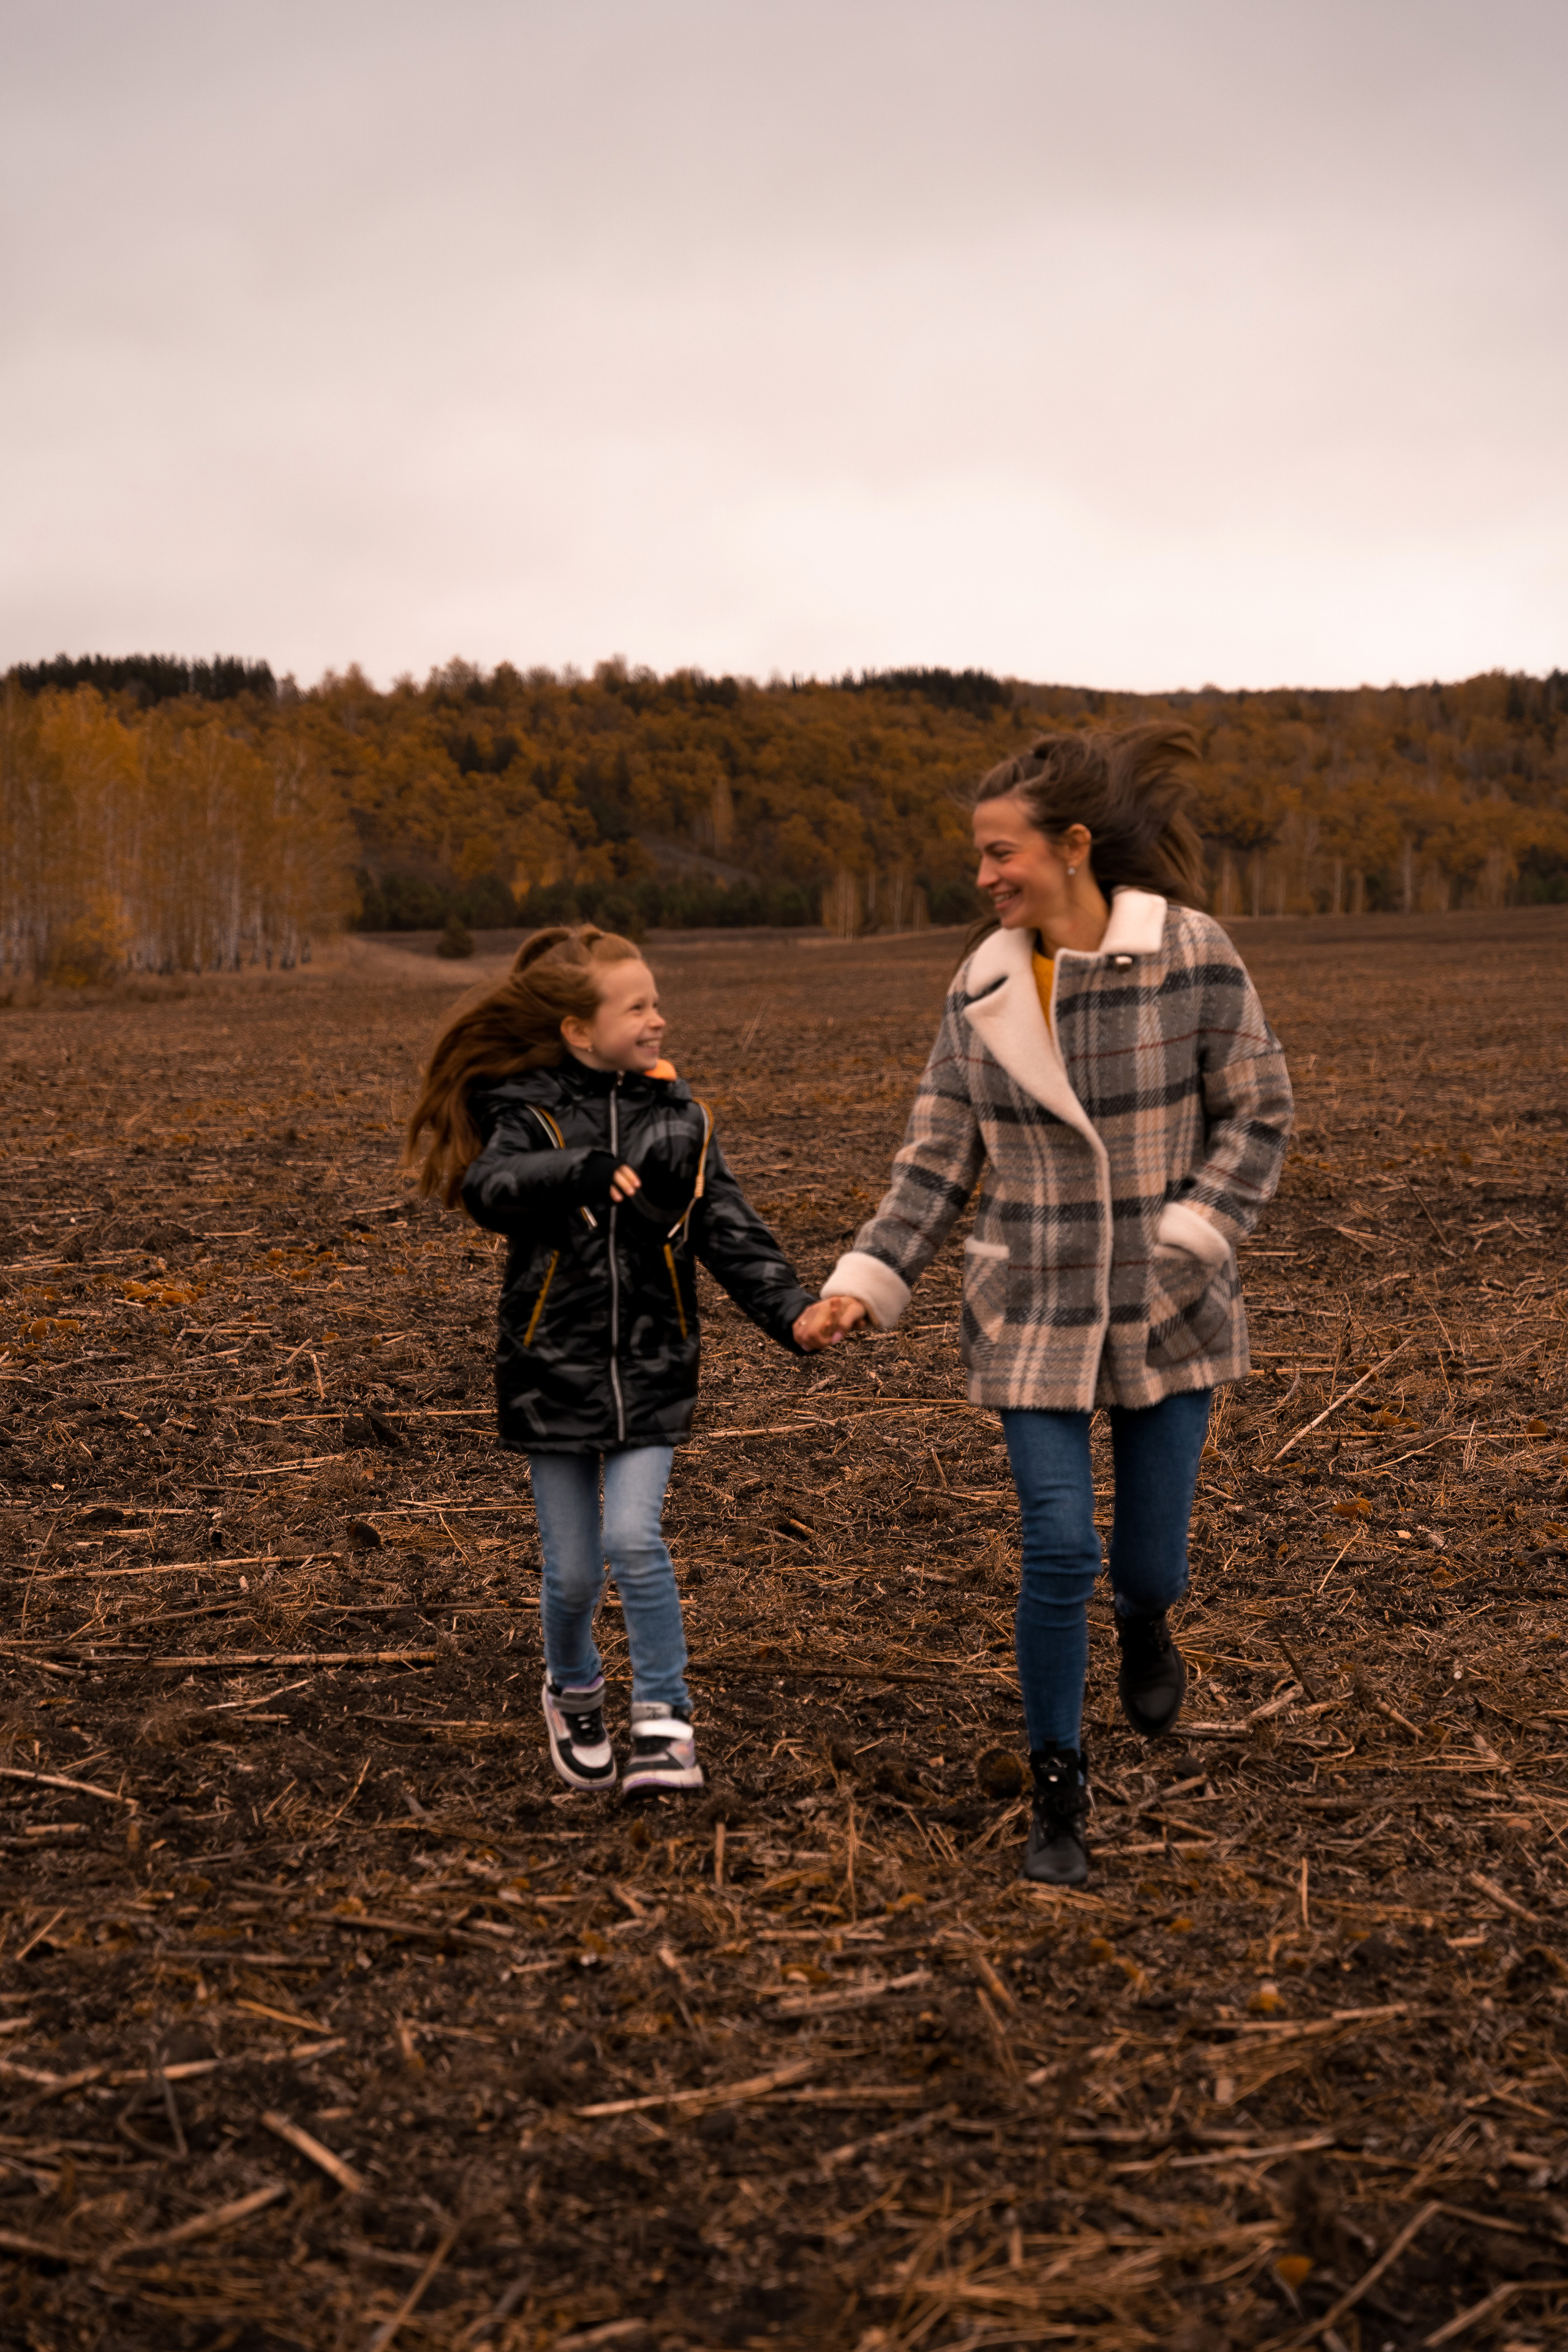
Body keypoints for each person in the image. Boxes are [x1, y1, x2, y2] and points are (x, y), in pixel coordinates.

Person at [795, 727, 1294, 1885]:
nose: (985, 878)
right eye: (978, 857)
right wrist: (861, 1285)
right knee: (1057, 1547)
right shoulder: (978, 989)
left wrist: (1194, 1232)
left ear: (1073, 847)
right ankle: (1060, 1784)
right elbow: (935, 1163)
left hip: (1170, 1303)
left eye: (1000, 852)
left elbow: (1258, 1113)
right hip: (1030, 1306)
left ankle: (1147, 1617)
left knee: (1149, 1564)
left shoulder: (1190, 953)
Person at [406, 924, 819, 1798]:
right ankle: (575, 1688)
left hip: (654, 1366)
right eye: (638, 1006)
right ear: (578, 1031)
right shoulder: (527, 1112)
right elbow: (492, 1187)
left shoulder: (681, 1122)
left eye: (657, 1001)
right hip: (551, 1369)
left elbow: (729, 1231)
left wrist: (794, 1315)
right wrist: (576, 1170)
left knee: (635, 1539)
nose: (659, 1018)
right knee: (573, 1575)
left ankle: (665, 1723)